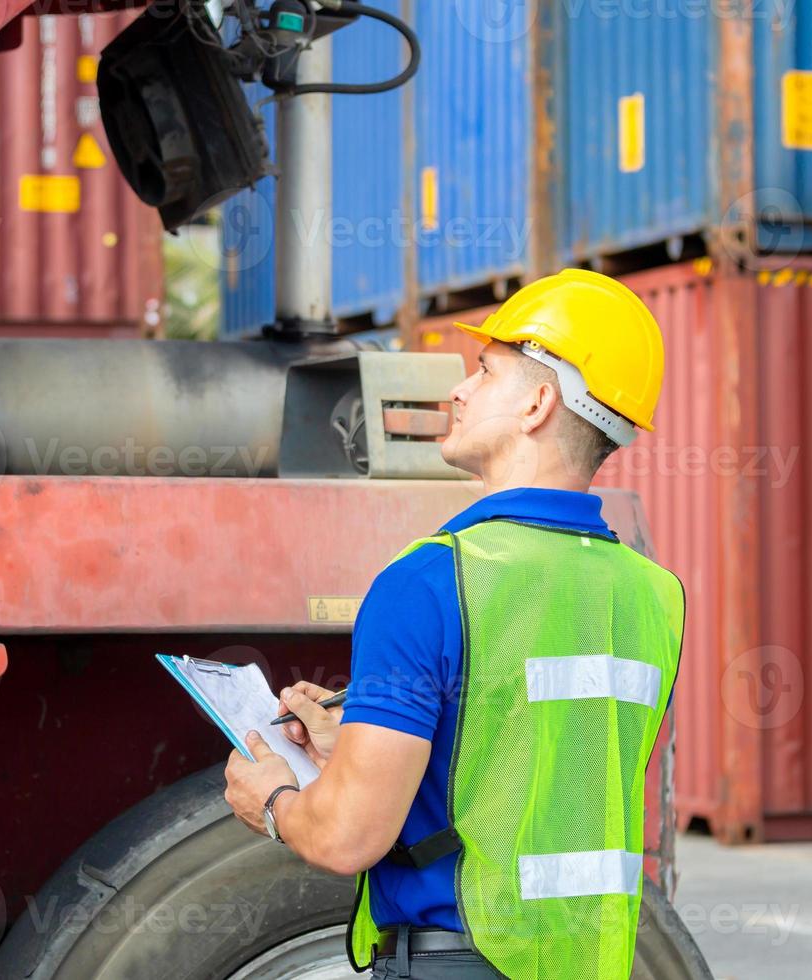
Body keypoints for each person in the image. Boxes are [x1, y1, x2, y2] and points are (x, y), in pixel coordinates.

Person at [224, 269, 685, 980]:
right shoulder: (653, 594)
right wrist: (352, 744)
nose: (457, 392)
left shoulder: (427, 582)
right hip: (589, 961)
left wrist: (274, 802)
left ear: (537, 403)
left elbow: (349, 838)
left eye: (485, 371)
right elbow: (531, 765)